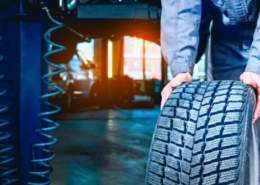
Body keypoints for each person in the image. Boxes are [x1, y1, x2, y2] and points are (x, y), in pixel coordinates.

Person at [160, 0, 260, 123]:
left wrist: (257, 66)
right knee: (228, 117)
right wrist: (181, 67)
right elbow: (180, 4)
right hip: (229, 31)